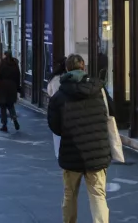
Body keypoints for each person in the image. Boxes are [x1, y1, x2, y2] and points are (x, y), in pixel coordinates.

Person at [48, 54, 115, 223]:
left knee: (70, 194)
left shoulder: (60, 95)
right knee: (98, 195)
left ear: (68, 69)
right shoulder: (99, 89)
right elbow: (112, 112)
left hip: (72, 151)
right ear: (83, 67)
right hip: (97, 152)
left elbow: (54, 126)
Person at [0, 51, 22, 133]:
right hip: (12, 86)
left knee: (3, 106)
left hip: (3, 86)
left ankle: (4, 125)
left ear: (5, 55)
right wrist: (17, 87)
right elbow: (18, 76)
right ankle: (14, 119)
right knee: (11, 105)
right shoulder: (15, 64)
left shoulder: (2, 63)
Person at [46, 59, 68, 158]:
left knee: (57, 132)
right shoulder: (69, 78)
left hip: (56, 107)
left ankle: (59, 154)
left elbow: (49, 92)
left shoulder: (54, 78)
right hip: (69, 106)